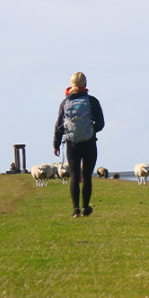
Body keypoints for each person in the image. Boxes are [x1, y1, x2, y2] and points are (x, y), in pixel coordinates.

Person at [53, 72, 105, 218]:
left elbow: (58, 126)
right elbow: (101, 123)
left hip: (72, 144)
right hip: (89, 143)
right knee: (87, 175)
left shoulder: (65, 103)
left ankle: (75, 209)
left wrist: (56, 144)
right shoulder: (92, 101)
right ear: (85, 84)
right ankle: (85, 208)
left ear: (71, 84)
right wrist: (90, 129)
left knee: (74, 176)